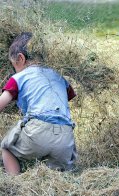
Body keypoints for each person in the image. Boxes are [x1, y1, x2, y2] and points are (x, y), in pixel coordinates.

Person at [0, 32, 77, 175]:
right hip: (65, 136)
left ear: (20, 58)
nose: (14, 70)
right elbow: (67, 97)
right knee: (57, 175)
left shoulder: (19, 77)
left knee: (7, 148)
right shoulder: (59, 75)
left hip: (37, 131)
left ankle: (15, 182)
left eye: (13, 65)